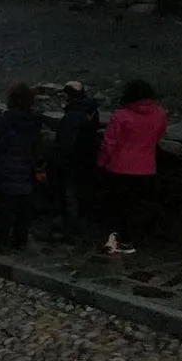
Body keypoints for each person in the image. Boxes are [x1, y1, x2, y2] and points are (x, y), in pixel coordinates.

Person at [98, 79, 167, 255]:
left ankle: (124, 241)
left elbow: (109, 143)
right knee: (140, 204)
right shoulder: (159, 114)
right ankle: (143, 235)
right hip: (147, 167)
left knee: (121, 206)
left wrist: (101, 162)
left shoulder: (121, 116)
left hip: (120, 168)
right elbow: (158, 137)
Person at [0, 83, 43, 254]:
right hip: (26, 171)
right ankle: (20, 241)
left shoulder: (3, 120)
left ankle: (3, 242)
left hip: (5, 170)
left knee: (5, 210)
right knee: (23, 211)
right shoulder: (34, 120)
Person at [54, 81, 101, 241]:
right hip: (88, 159)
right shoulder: (91, 111)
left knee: (70, 196)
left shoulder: (73, 115)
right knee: (83, 195)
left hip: (72, 161)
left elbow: (66, 143)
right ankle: (82, 227)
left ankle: (69, 231)